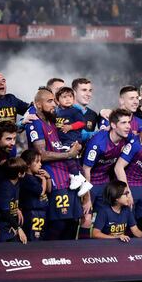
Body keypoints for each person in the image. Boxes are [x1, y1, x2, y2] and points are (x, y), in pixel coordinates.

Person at [26, 88, 84, 240]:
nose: (54, 104)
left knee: (73, 222)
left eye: (54, 100)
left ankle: (70, 261)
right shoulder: (35, 123)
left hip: (68, 178)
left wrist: (75, 147)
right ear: (38, 104)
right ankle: (52, 260)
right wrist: (69, 154)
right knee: (59, 225)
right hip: (54, 179)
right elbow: (41, 154)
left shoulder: (52, 120)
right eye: (50, 101)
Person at [19, 149, 51, 242]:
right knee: (33, 239)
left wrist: (48, 177)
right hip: (32, 213)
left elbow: (48, 190)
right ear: (28, 164)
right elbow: (41, 192)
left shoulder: (36, 177)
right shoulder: (27, 178)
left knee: (42, 239)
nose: (40, 164)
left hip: (42, 212)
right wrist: (44, 180)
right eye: (37, 162)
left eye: (40, 161)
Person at [0, 157, 28, 243]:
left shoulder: (17, 183)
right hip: (3, 227)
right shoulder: (5, 187)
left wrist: (17, 209)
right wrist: (18, 228)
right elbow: (5, 212)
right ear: (19, 174)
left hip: (11, 225)